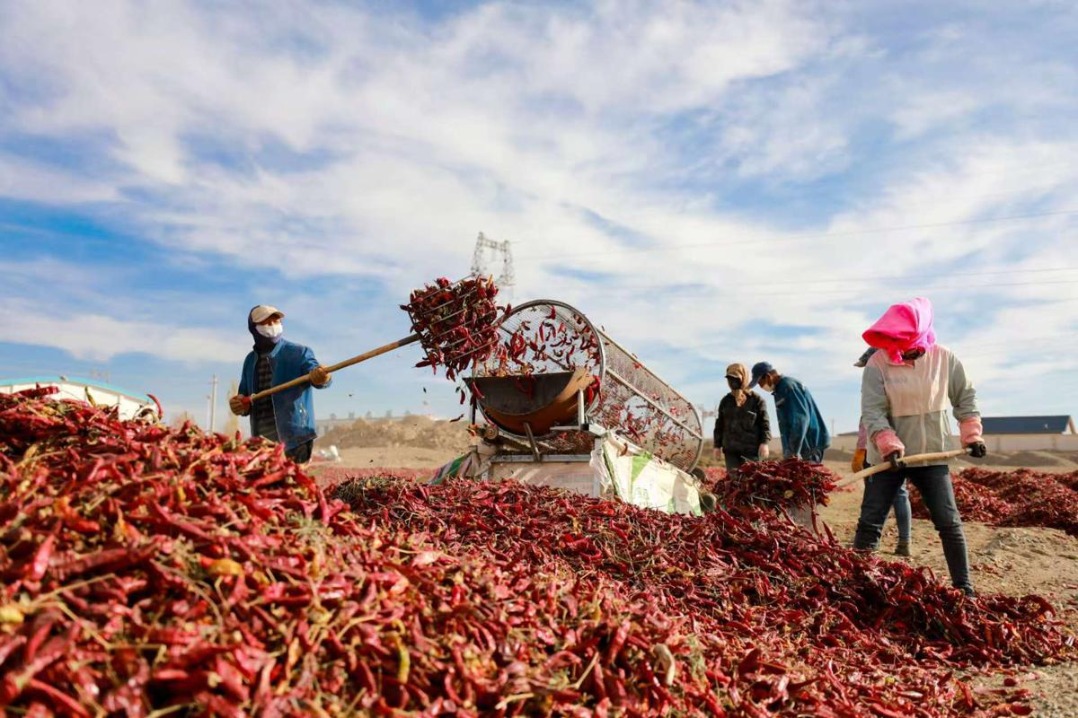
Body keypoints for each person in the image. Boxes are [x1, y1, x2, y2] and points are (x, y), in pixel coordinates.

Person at [851, 297, 985, 596]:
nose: (901, 348)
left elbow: (965, 398)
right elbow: (872, 412)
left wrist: (971, 434)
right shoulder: (877, 363)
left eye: (906, 341)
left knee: (948, 523)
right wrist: (888, 443)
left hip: (931, 454)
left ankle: (964, 589)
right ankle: (854, 586)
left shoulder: (945, 358)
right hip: (888, 458)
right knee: (871, 522)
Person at [228, 305, 331, 464]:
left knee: (293, 481)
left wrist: (322, 376)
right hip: (262, 439)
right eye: (266, 322)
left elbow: (320, 377)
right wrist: (239, 404)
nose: (273, 326)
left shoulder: (299, 353)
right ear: (254, 329)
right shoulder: (250, 361)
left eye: (276, 321)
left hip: (295, 435)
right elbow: (245, 398)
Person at [852, 348, 912, 557]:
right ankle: (903, 542)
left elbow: (869, 421)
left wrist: (861, 449)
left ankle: (869, 546)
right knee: (899, 495)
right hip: (894, 445)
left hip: (882, 448)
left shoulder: (881, 382)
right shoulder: (898, 382)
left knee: (877, 497)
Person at [748, 362, 830, 462]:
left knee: (807, 475)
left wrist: (792, 452)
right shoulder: (779, 390)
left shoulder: (788, 387)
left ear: (768, 376)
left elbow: (800, 420)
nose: (761, 387)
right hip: (802, 446)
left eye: (760, 383)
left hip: (809, 444)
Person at [713, 363, 771, 477]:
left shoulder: (756, 400)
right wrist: (716, 446)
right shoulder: (726, 401)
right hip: (730, 451)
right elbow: (719, 425)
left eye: (736, 378)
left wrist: (765, 443)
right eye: (730, 379)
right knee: (734, 481)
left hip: (751, 450)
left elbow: (765, 423)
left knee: (750, 481)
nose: (732, 381)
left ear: (744, 378)